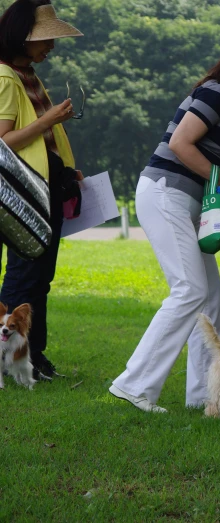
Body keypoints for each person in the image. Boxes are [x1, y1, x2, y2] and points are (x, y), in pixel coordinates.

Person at [110, 34, 220, 413]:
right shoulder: (217, 91)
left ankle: (208, 396)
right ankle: (133, 385)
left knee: (209, 298)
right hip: (165, 192)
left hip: (188, 201)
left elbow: (212, 166)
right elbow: (180, 144)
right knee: (189, 290)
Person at [0, 0, 83, 380]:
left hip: (46, 190)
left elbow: (43, 139)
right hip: (25, 195)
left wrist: (67, 169)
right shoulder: (5, 77)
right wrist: (50, 118)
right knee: (24, 278)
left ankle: (34, 358)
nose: (51, 46)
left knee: (38, 280)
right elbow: (4, 141)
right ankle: (13, 361)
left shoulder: (27, 74)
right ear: (23, 37)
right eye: (46, 39)